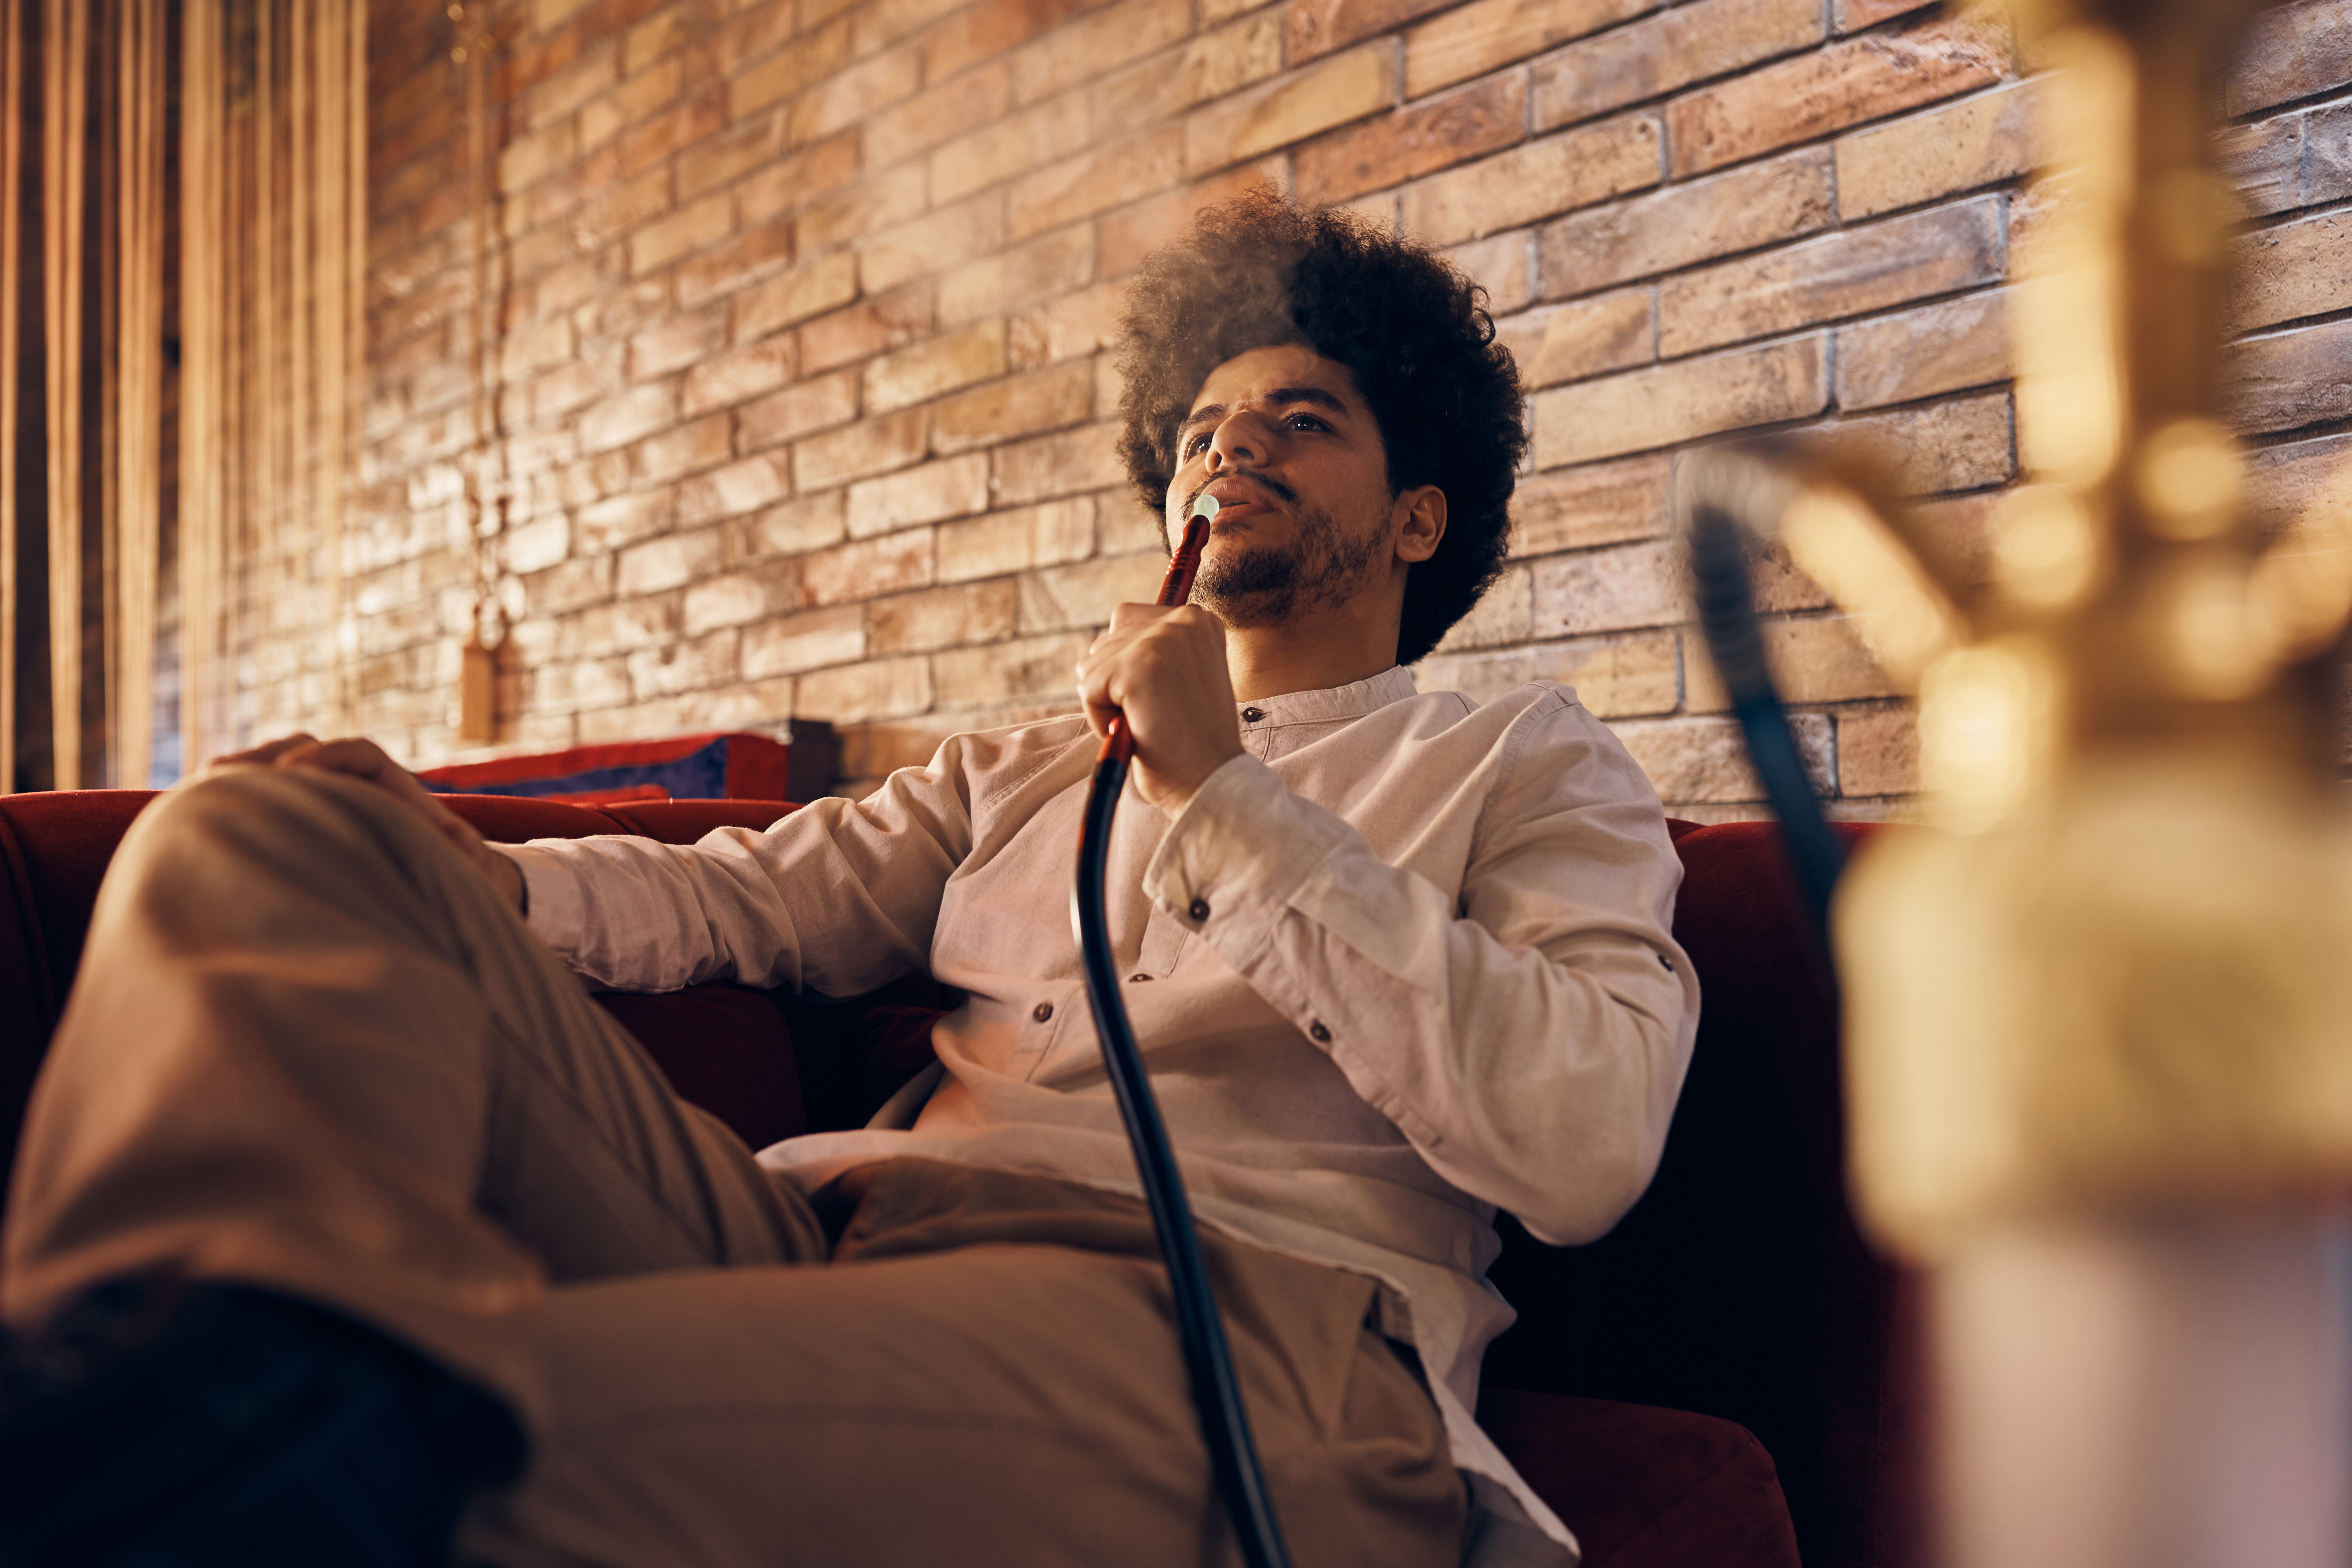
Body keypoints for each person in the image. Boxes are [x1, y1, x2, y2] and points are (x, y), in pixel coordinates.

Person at [0, 191, 1697, 1567]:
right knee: (262, 830)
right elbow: (752, 892)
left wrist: (1228, 789)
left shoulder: (1527, 761)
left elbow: (1582, 1145)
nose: (1226, 448)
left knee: (446, 1427)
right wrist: (466, 873)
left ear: (1417, 518)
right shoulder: (1030, 761)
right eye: (1200, 427)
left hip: (1231, 1326)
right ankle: (187, 1338)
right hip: (820, 1224)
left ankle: (201, 1426)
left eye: (1299, 422)